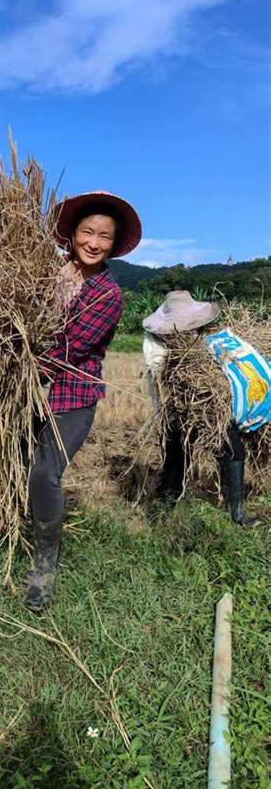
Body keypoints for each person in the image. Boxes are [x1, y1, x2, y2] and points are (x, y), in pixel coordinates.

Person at [24, 190, 142, 611]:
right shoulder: (44, 272)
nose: (94, 242)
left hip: (72, 392)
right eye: (87, 232)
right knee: (20, 459)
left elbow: (67, 350)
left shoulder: (108, 294)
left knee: (45, 472)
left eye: (104, 237)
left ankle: (44, 568)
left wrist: (14, 369)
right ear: (72, 234)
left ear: (113, 244)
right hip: (26, 387)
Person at [142, 290, 270, 525]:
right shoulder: (154, 343)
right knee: (178, 454)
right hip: (177, 409)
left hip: (211, 406)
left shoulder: (206, 334)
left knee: (232, 449)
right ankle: (165, 507)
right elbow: (162, 379)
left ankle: (236, 513)